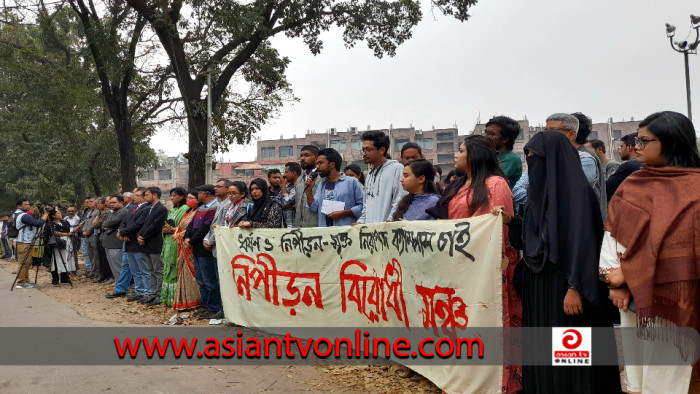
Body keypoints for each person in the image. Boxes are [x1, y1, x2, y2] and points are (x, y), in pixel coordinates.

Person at [601, 111, 700, 394]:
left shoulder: (696, 187)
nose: (637, 147)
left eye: (645, 141)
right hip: (639, 299)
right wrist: (614, 282)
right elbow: (613, 237)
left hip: (682, 295)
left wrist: (627, 274)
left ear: (671, 141)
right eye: (637, 141)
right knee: (644, 370)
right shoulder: (632, 185)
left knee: (675, 372)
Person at [519, 130, 620, 394]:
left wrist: (575, 287)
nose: (531, 163)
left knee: (570, 355)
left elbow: (584, 245)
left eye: (535, 157)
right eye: (528, 157)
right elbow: (532, 241)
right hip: (540, 286)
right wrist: (509, 222)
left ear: (552, 158)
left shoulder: (576, 194)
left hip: (566, 287)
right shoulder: (537, 195)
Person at [426, 135, 522, 393]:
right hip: (459, 265)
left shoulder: (495, 184)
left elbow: (502, 227)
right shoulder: (458, 184)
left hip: (487, 267)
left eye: (461, 150)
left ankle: (498, 382)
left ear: (476, 155)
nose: (456, 155)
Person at [513, 114, 606, 218]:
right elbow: (517, 191)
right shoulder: (543, 159)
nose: (547, 135)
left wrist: (537, 197)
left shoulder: (585, 160)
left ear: (571, 134)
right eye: (545, 130)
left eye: (553, 130)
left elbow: (566, 194)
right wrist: (544, 201)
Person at [184, 184, 222, 319]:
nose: (197, 195)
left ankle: (214, 307)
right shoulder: (201, 208)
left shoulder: (215, 207)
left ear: (205, 194)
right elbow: (191, 225)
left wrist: (191, 241)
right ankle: (205, 305)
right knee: (200, 279)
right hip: (196, 248)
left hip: (206, 249)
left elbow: (205, 228)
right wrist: (187, 237)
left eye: (199, 193)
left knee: (209, 280)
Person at [356, 130, 407, 224]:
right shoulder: (370, 174)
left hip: (388, 229)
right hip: (370, 231)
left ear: (382, 150)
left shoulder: (397, 168)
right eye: (363, 150)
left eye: (368, 149)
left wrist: (391, 219)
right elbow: (366, 203)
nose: (364, 153)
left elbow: (400, 198)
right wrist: (361, 221)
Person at [306, 148, 363, 227]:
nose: (317, 167)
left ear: (332, 164)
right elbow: (314, 209)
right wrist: (308, 191)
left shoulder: (352, 182)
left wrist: (343, 213)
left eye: (320, 163)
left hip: (345, 233)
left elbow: (362, 206)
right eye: (316, 164)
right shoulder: (322, 185)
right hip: (325, 233)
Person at [136, 187, 168, 305]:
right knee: (150, 270)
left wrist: (143, 236)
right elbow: (145, 225)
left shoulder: (161, 209)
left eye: (147, 195)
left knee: (158, 270)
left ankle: (159, 294)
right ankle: (153, 293)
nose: (145, 197)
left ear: (155, 195)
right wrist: (140, 235)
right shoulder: (150, 208)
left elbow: (155, 226)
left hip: (155, 243)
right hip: (147, 244)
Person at [119, 188, 150, 303]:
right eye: (133, 195)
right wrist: (121, 230)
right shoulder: (132, 208)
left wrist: (124, 232)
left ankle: (147, 292)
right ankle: (139, 291)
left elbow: (138, 224)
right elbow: (124, 221)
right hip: (129, 244)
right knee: (135, 270)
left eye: (137, 195)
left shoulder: (146, 209)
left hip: (138, 243)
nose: (134, 197)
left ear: (143, 197)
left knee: (143, 269)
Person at [160, 187, 189, 306]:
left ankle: (177, 299)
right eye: (171, 196)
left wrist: (174, 230)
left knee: (175, 267)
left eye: (174, 196)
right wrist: (165, 230)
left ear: (182, 196)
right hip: (168, 241)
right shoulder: (172, 210)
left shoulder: (185, 209)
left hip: (178, 242)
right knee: (168, 267)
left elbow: (184, 227)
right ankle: (167, 298)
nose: (172, 198)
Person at [172, 191, 201, 311]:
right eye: (188, 197)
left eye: (192, 198)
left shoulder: (198, 212)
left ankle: (194, 301)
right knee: (183, 273)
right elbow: (180, 227)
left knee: (191, 275)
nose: (189, 200)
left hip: (190, 246)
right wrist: (176, 233)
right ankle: (184, 301)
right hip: (182, 247)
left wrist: (179, 235)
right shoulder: (188, 212)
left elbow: (194, 229)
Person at [12, 199, 49, 288]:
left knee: (27, 262)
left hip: (24, 241)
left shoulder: (17, 214)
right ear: (19, 206)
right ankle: (21, 282)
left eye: (28, 204)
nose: (28, 206)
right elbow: (38, 223)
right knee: (24, 262)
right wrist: (46, 214)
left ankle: (26, 280)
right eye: (25, 205)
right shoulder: (23, 216)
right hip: (23, 242)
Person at [483, 116, 523, 188]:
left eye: (490, 134)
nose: (485, 137)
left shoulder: (511, 159)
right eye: (485, 132)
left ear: (505, 139)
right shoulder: (490, 157)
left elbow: (490, 183)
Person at [605, 133, 642, 201]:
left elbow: (606, 188)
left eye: (622, 147)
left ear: (629, 147)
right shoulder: (646, 164)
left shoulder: (629, 167)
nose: (619, 151)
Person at [101, 196, 128, 284]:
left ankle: (122, 286)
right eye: (111, 202)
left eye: (114, 202)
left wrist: (107, 225)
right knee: (113, 266)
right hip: (109, 243)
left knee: (118, 266)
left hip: (116, 243)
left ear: (121, 202)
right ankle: (118, 283)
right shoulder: (111, 212)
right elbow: (104, 224)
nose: (111, 204)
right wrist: (107, 225)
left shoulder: (123, 211)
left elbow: (111, 222)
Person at [44, 208, 75, 286]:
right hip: (56, 243)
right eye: (58, 213)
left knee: (66, 258)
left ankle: (64, 277)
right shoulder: (50, 224)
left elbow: (70, 230)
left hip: (67, 242)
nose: (60, 214)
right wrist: (65, 234)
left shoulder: (65, 222)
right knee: (56, 260)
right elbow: (52, 233)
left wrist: (67, 234)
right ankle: (55, 278)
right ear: (53, 215)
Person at [203, 178, 233, 256]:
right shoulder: (220, 203)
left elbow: (220, 225)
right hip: (214, 246)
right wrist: (206, 238)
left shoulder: (229, 204)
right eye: (215, 186)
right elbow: (213, 224)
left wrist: (210, 242)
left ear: (227, 189)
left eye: (218, 187)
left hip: (221, 246)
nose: (215, 188)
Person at [295, 145, 321, 227]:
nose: (302, 158)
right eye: (301, 156)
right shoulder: (299, 180)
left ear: (317, 158)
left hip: (317, 229)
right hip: (299, 229)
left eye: (307, 155)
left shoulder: (322, 178)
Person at [277, 162, 300, 228]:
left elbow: (285, 203)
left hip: (295, 226)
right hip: (285, 225)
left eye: (286, 172)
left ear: (293, 173)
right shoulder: (287, 187)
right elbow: (276, 202)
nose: (284, 175)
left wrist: (283, 184)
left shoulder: (300, 187)